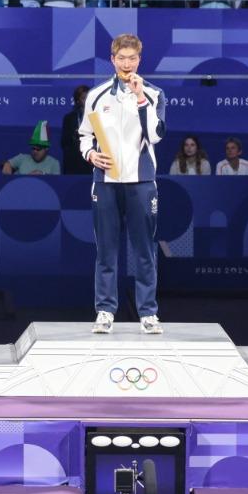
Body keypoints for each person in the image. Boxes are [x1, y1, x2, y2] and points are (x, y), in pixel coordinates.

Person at [78, 34, 165, 336]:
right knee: (106, 250)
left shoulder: (154, 94)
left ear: (140, 60)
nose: (127, 64)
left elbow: (155, 135)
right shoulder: (97, 95)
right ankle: (105, 310)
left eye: (132, 59)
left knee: (145, 250)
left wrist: (140, 99)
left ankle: (148, 312)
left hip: (141, 182)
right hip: (106, 181)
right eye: (122, 58)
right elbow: (84, 134)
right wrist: (89, 154)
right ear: (112, 59)